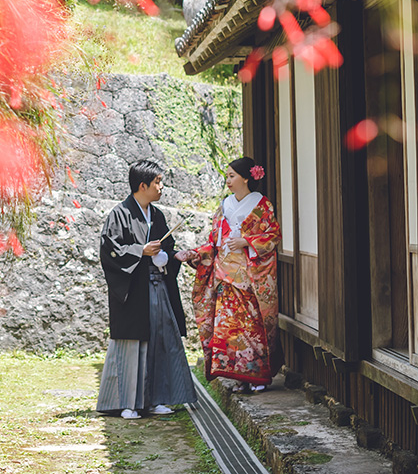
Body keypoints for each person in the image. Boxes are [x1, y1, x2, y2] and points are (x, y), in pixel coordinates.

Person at [96, 159, 196, 418]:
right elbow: (110, 251)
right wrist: (140, 250)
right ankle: (128, 403)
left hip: (158, 287)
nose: (161, 187)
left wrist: (175, 256)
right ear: (143, 185)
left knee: (161, 342)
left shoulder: (158, 215)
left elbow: (167, 247)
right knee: (132, 345)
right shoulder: (119, 214)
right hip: (133, 291)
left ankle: (156, 399)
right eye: (157, 182)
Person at [177, 156, 281, 393]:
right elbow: (214, 242)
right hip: (224, 274)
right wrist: (195, 253)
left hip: (249, 276)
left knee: (252, 326)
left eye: (232, 176)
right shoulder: (225, 206)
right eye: (227, 176)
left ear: (246, 177)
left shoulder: (262, 205)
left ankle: (257, 376)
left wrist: (246, 241)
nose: (228, 181)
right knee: (230, 329)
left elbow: (272, 236)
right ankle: (239, 375)